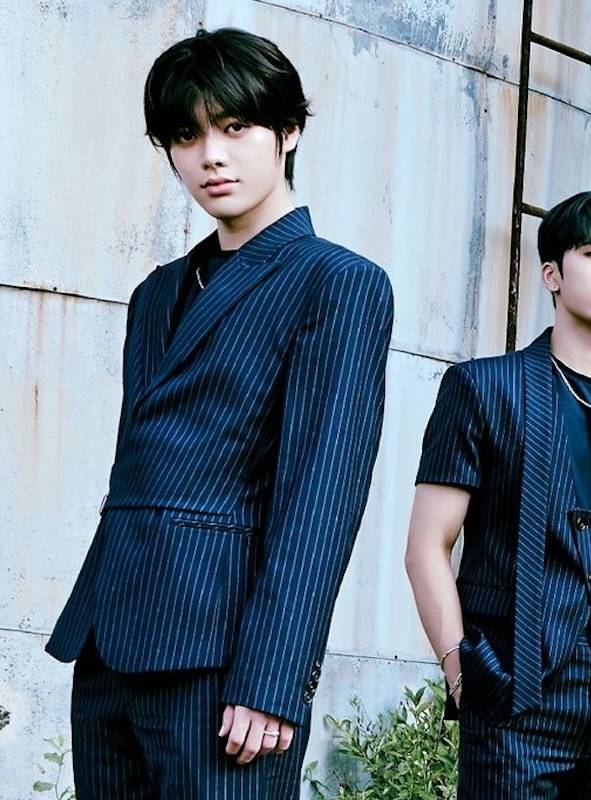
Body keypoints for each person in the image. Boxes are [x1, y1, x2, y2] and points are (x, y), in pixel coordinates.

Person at [46, 27, 394, 798]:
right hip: (109, 646)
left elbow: (321, 495)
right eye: (187, 135)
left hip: (223, 664)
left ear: (289, 131)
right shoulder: (157, 292)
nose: (211, 156)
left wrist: (273, 677)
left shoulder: (336, 282)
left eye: (235, 127)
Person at [406, 191, 591, 798]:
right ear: (552, 275)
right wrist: (462, 674)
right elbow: (427, 546)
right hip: (518, 693)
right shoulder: (483, 389)